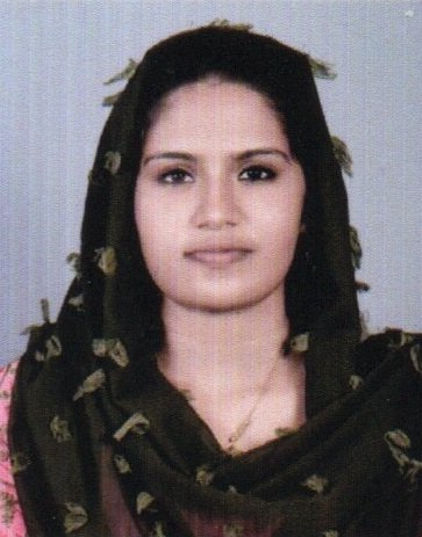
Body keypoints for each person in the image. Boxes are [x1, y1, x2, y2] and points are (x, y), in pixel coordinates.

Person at [1, 24, 421, 537]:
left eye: (256, 172)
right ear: (126, 202)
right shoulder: (28, 413)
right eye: (176, 175)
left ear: (310, 197)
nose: (217, 212)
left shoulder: (406, 402)